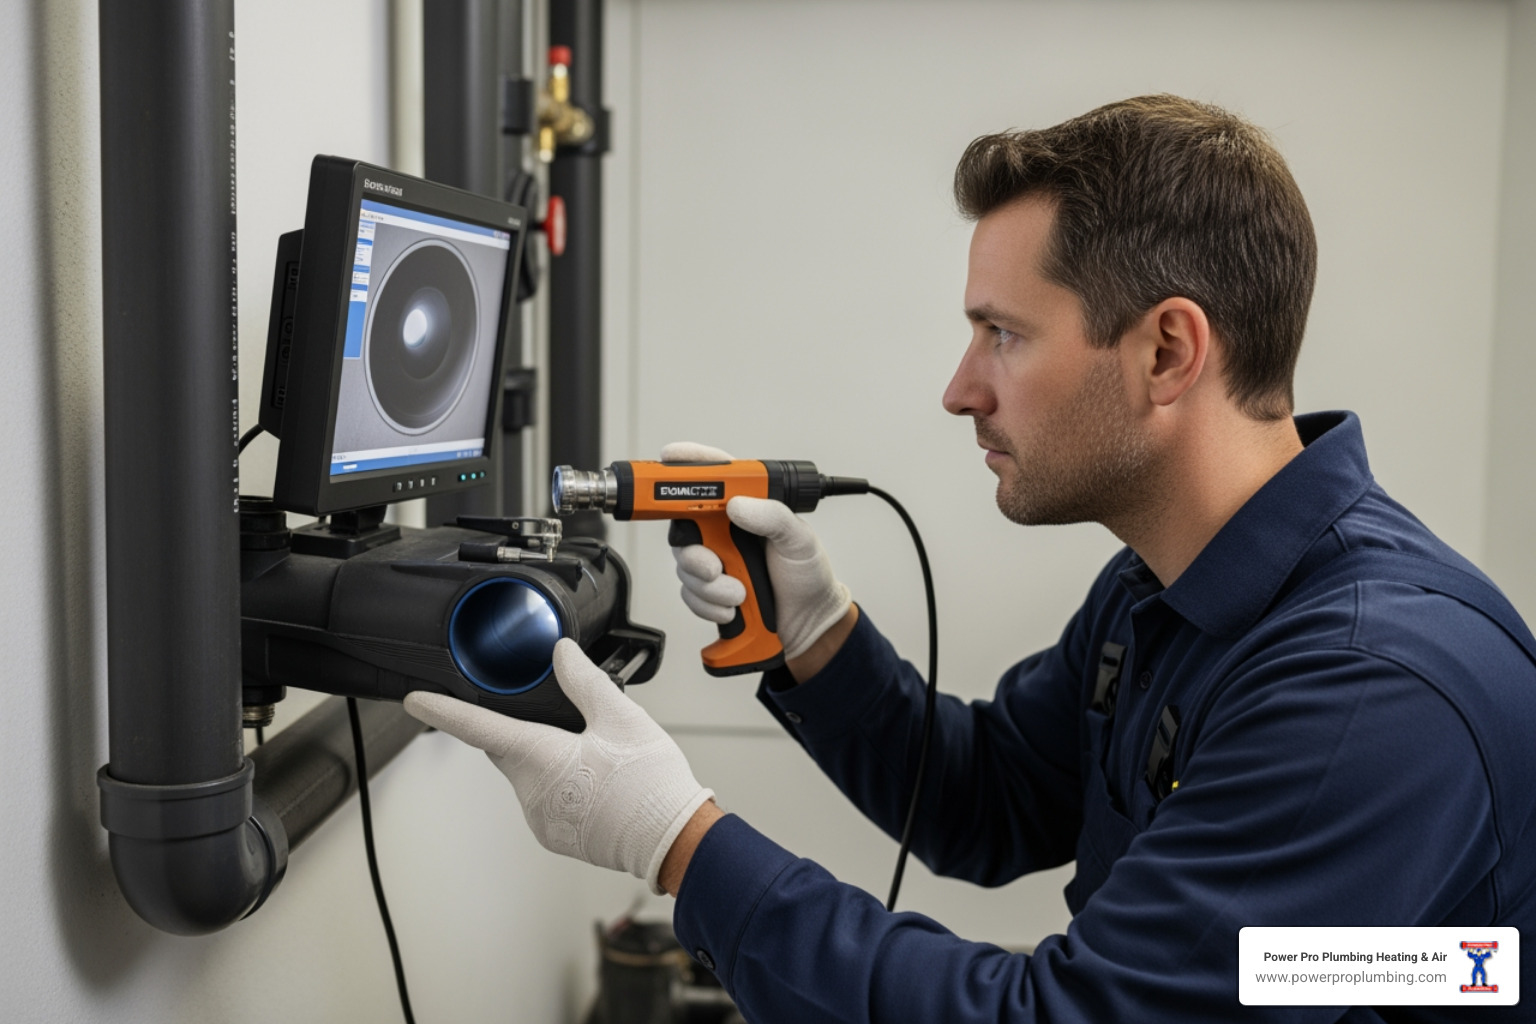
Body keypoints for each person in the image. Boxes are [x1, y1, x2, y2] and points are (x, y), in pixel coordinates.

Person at [405, 96, 1536, 1022]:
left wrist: (675, 841)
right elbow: (991, 798)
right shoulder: (1168, 585)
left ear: (1168, 350)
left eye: (1004, 332)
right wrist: (819, 638)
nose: (961, 389)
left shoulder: (1372, 689)